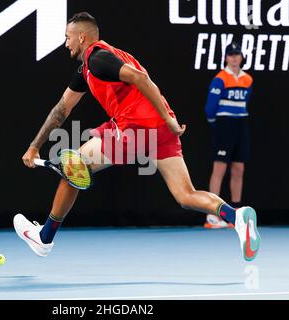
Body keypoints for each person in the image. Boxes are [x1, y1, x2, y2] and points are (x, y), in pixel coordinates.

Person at [15, 13, 260, 261]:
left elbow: (140, 78)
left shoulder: (98, 58)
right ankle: (236, 216)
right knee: (186, 195)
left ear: (81, 37)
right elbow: (62, 109)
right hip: (159, 130)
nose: (65, 43)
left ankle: (45, 237)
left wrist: (168, 119)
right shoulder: (88, 69)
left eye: (68, 38)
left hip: (138, 126)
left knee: (74, 167)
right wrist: (35, 146)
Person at [203, 42, 253, 229]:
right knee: (219, 169)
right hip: (224, 124)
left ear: (241, 57)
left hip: (241, 124)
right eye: (230, 55)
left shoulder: (248, 79)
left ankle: (236, 215)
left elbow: (245, 102)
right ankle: (212, 214)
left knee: (239, 168)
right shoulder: (220, 79)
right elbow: (209, 108)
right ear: (225, 58)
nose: (234, 58)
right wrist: (216, 124)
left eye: (236, 54)